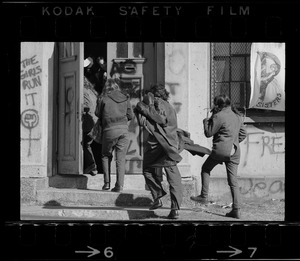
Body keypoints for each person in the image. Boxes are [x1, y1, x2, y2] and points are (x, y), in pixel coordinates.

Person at [190, 94, 247, 219]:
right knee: (233, 182)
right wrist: (233, 142)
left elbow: (208, 133)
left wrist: (205, 122)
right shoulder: (238, 116)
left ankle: (204, 196)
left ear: (219, 105)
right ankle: (236, 210)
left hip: (221, 150)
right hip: (235, 151)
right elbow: (243, 134)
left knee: (205, 169)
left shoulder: (218, 116)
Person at [134, 84, 183, 219]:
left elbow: (160, 119)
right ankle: (175, 209)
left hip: (158, 144)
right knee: (173, 177)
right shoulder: (171, 107)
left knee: (147, 169)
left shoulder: (157, 103)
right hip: (171, 144)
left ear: (155, 95)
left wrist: (142, 108)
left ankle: (158, 196)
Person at [95, 78, 133, 192]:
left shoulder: (103, 98)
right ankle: (119, 186)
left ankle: (107, 184)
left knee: (106, 155)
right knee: (120, 159)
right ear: (117, 87)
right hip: (123, 131)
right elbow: (130, 115)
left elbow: (97, 113)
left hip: (109, 130)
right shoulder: (125, 98)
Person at [83, 57, 99, 176]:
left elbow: (86, 107)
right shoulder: (92, 91)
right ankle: (91, 167)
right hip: (95, 121)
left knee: (83, 143)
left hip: (88, 121)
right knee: (87, 144)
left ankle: (91, 166)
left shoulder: (84, 91)